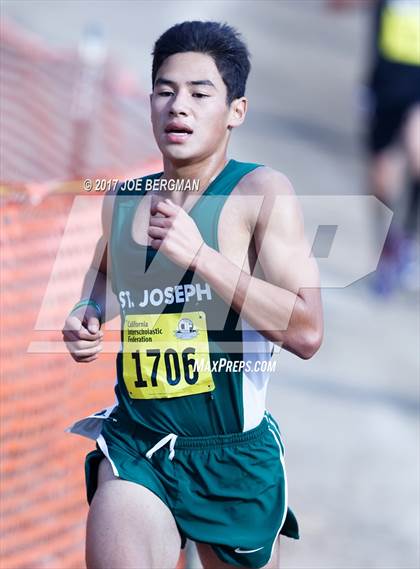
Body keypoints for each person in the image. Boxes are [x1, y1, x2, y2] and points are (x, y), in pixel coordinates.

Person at [63, 21, 323, 569]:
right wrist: (87, 315)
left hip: (233, 456)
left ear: (236, 111)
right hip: (140, 444)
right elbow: (109, 279)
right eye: (165, 91)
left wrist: (201, 256)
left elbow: (306, 331)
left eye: (200, 94)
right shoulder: (124, 200)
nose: (178, 106)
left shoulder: (260, 192)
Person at [330, 0, 420, 294]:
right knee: (380, 179)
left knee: (418, 154)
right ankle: (388, 246)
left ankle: (407, 240)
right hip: (387, 79)